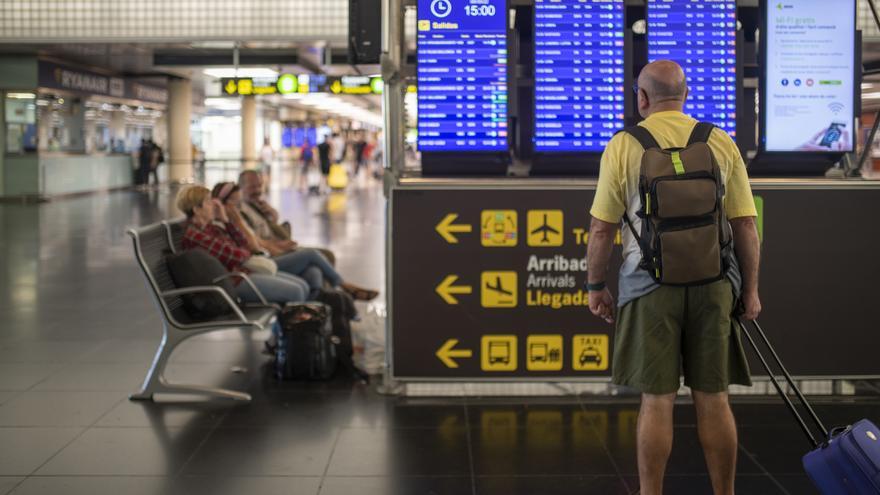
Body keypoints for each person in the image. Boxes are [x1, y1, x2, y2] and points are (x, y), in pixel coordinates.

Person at [585, 60, 762, 495]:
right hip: (714, 285)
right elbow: (745, 226)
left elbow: (601, 230)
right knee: (714, 398)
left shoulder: (624, 146)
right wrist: (751, 292)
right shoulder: (719, 141)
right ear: (686, 95)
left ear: (642, 98)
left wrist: (595, 287)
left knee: (657, 399)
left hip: (649, 289)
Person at [236, 172, 380, 301]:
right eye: (252, 187)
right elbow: (255, 242)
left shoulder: (256, 205)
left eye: (259, 186)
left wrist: (272, 215)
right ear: (240, 188)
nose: (257, 191)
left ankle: (318, 308)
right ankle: (343, 285)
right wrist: (280, 247)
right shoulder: (240, 214)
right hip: (269, 256)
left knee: (313, 269)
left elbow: (273, 228)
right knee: (313, 255)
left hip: (278, 249)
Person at [176, 185, 310, 305]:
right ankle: (295, 329)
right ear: (197, 210)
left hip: (241, 274)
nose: (214, 205)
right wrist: (246, 253)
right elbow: (235, 255)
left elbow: (243, 244)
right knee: (297, 291)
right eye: (208, 202)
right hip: (230, 283)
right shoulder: (195, 236)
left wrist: (226, 221)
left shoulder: (211, 228)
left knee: (303, 285)